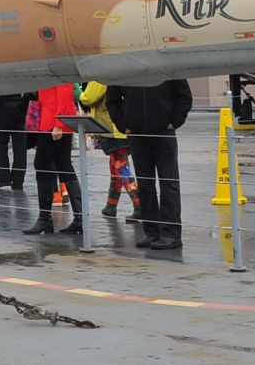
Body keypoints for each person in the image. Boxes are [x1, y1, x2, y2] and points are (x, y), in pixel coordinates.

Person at [111, 78, 193, 249]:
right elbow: (112, 98)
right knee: (145, 185)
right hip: (137, 134)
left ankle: (171, 234)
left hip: (163, 132)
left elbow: (184, 96)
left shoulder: (166, 66)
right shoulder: (123, 69)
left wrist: (174, 122)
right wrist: (123, 125)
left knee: (168, 183)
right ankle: (151, 232)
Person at [23, 83, 82, 236]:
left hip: (53, 123)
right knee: (64, 165)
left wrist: (59, 124)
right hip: (54, 121)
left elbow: (64, 95)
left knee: (42, 164)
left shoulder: (57, 69)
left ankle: (45, 219)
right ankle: (80, 218)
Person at [78, 82, 139, 220]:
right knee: (115, 165)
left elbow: (88, 98)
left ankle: (139, 204)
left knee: (119, 166)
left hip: (111, 128)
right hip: (123, 126)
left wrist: (78, 93)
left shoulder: (100, 75)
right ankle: (111, 205)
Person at [0, 92, 30, 190]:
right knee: (20, 148)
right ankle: (18, 181)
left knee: (0, 144)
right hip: (20, 111)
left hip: (2, 111)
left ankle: (3, 178)